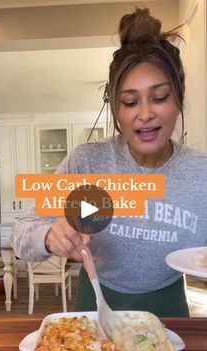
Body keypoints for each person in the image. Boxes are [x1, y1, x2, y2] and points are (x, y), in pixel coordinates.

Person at [13, 8, 207, 317]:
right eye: (130, 102)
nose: (145, 113)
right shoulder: (87, 162)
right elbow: (22, 234)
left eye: (159, 98)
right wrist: (49, 237)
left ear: (178, 100)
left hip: (170, 310)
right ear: (116, 110)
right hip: (96, 305)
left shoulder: (202, 174)